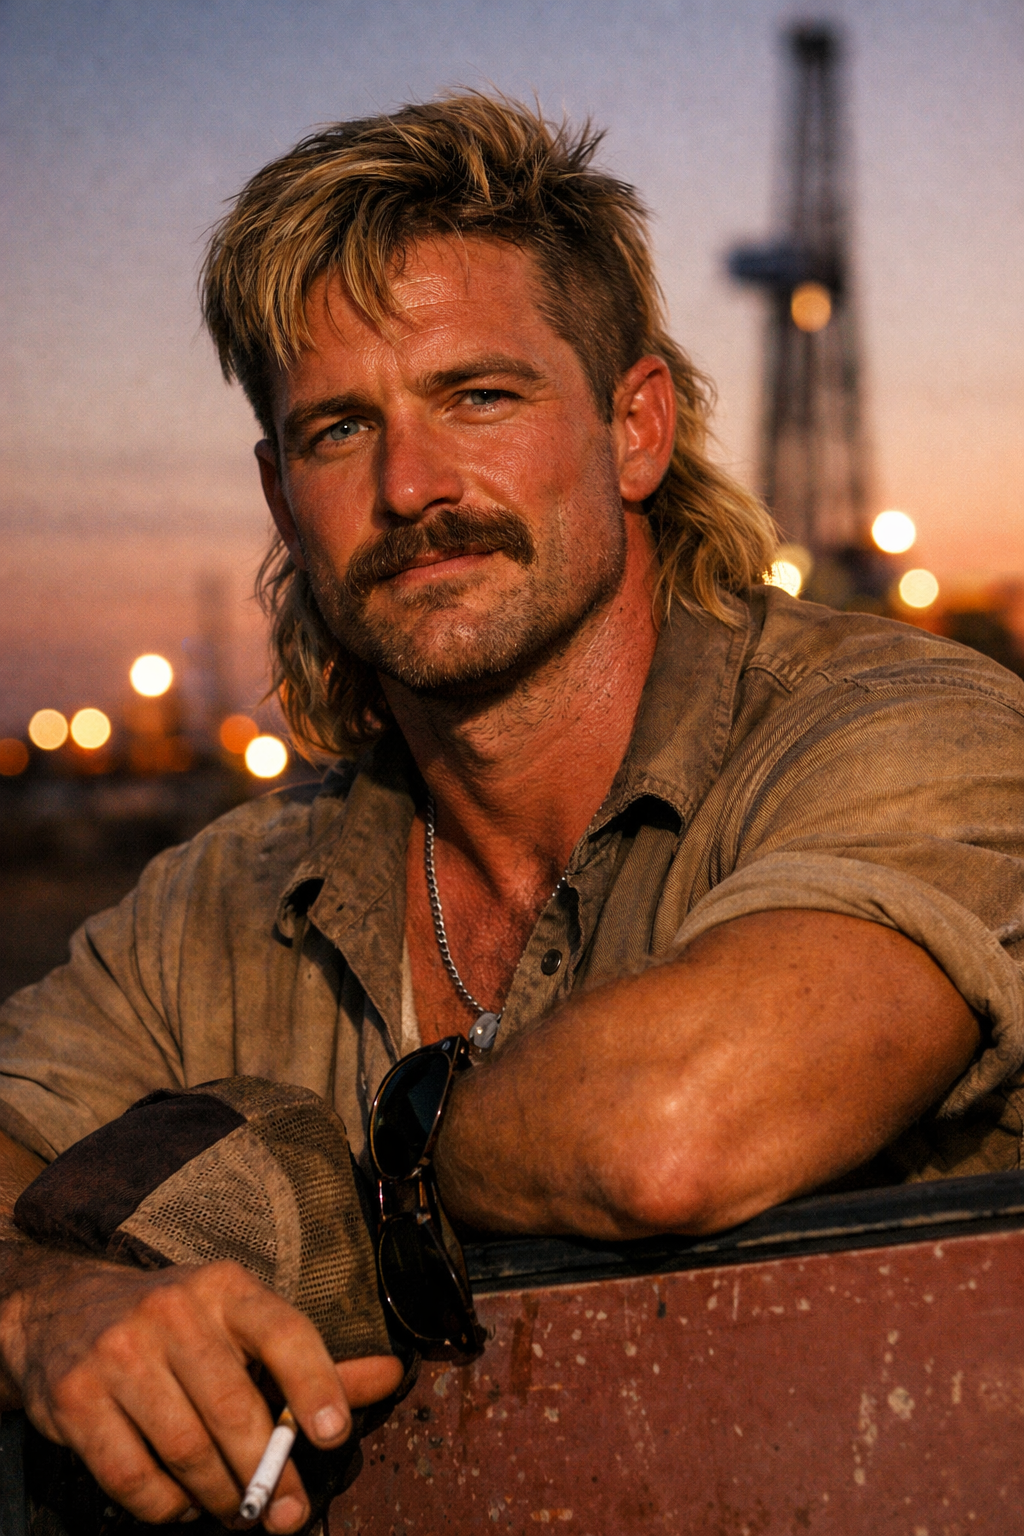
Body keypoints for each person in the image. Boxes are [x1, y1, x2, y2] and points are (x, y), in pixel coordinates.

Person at [1, 90, 1023, 1532]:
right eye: (339, 429)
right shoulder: (227, 903)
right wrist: (39, 1304)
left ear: (636, 427)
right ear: (282, 499)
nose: (411, 485)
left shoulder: (909, 731)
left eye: (479, 396)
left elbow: (673, 1131)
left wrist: (359, 1187)